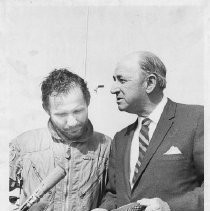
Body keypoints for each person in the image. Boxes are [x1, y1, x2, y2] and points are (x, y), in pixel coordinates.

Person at [93, 51, 204, 211]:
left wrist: (169, 207)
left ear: (150, 83)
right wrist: (104, 209)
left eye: (122, 80)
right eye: (114, 80)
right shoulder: (120, 139)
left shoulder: (196, 119)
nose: (113, 89)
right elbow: (114, 194)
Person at [9, 68, 111, 211]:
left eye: (78, 111)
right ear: (46, 109)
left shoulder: (106, 146)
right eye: (61, 114)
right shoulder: (22, 145)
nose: (72, 122)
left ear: (88, 101)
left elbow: (114, 195)